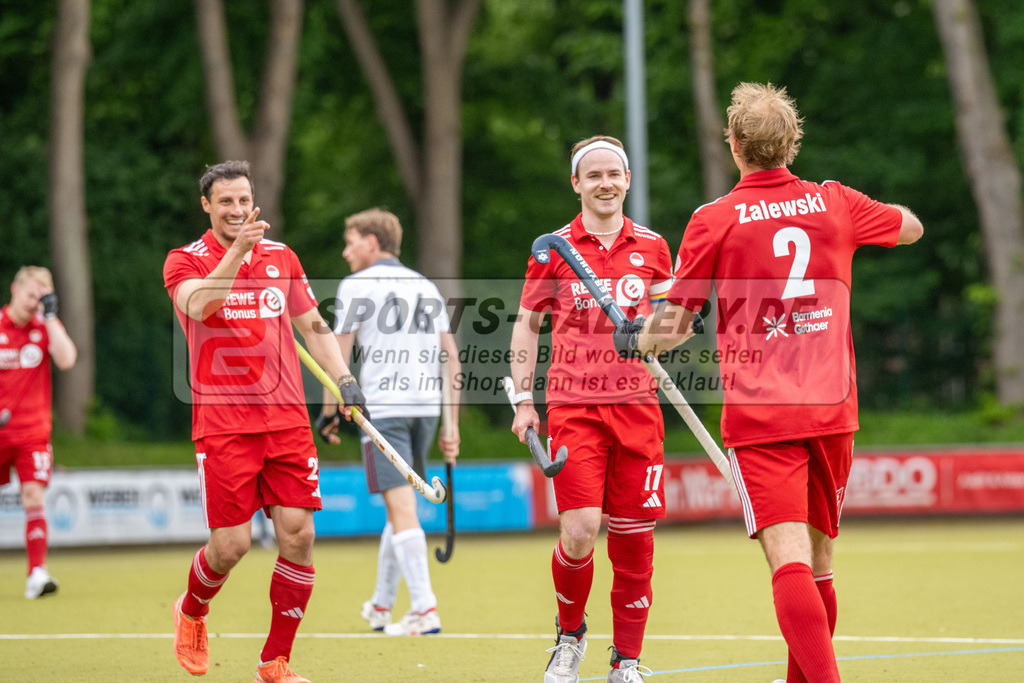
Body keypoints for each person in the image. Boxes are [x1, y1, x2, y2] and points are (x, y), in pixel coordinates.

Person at [613, 83, 923, 683]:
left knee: (788, 564)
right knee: (820, 564)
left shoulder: (714, 219)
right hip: (834, 408)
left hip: (763, 416)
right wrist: (869, 222)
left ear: (734, 145)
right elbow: (908, 227)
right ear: (792, 141)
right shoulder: (835, 201)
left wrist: (638, 340)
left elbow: (674, 324)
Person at [163, 160, 368, 683]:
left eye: (243, 200)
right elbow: (202, 306)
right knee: (230, 546)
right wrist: (235, 252)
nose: (236, 210)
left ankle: (275, 662)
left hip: (286, 421)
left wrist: (344, 381)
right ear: (206, 205)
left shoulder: (282, 257)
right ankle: (191, 610)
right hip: (224, 423)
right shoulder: (184, 261)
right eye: (225, 201)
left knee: (298, 535)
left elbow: (314, 325)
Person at [509, 136, 678, 683]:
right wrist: (522, 400)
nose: (606, 183)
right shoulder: (552, 248)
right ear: (577, 183)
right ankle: (570, 637)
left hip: (638, 410)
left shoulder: (653, 246)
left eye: (615, 174)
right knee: (579, 531)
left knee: (634, 541)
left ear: (628, 180)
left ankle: (626, 660)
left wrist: (649, 337)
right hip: (574, 408)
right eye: (594, 174)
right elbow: (527, 326)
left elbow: (675, 324)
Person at [316, 207, 461, 636]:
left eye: (352, 241)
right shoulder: (425, 285)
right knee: (400, 509)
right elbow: (450, 358)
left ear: (373, 243)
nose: (346, 251)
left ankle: (424, 610)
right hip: (427, 408)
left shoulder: (357, 286)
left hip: (385, 407)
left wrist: (327, 414)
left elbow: (335, 359)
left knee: (401, 507)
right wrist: (451, 426)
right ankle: (381, 605)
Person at [0, 266, 77, 599]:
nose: (35, 302)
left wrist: (50, 316)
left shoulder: (44, 325)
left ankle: (37, 573)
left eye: (42, 296)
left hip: (32, 433)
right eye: (31, 294)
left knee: (33, 497)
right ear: (15, 290)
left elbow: (67, 359)